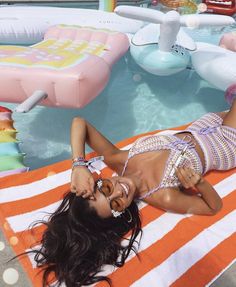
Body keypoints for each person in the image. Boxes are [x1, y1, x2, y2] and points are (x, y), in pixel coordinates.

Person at [32, 98, 236, 287]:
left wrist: (78, 165)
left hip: (201, 127)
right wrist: (199, 183)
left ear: (100, 181)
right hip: (225, 146)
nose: (119, 191)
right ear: (122, 212)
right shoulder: (162, 194)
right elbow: (212, 207)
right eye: (115, 204)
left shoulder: (119, 159)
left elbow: (80, 122)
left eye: (106, 189)